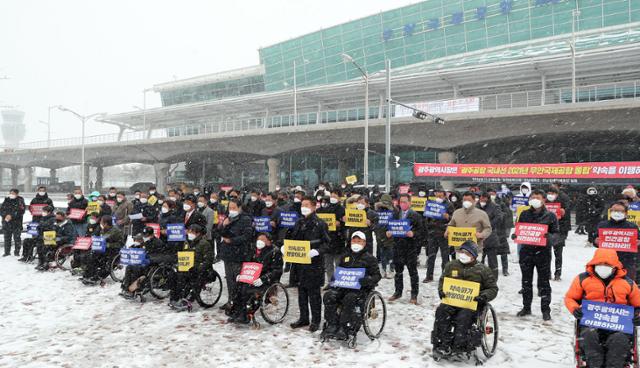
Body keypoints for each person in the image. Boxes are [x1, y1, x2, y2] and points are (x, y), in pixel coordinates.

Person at [565, 248, 640, 368]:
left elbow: (638, 304)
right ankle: (595, 364)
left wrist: (638, 316)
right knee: (589, 337)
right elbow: (570, 298)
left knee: (619, 341)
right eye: (600, 264)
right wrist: (574, 309)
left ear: (615, 266)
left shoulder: (628, 283)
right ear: (594, 264)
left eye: (607, 264)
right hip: (591, 323)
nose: (603, 267)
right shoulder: (582, 279)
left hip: (619, 326)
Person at [432, 241, 498, 359]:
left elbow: (493, 289)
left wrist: (483, 296)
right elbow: (443, 280)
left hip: (471, 304)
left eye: (467, 253)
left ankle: (460, 345)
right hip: (452, 301)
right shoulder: (451, 265)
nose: (463, 255)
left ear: (473, 256)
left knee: (464, 317)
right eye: (462, 251)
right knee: (441, 312)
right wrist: (441, 290)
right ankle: (442, 343)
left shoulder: (483, 270)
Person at [322, 231, 382, 340]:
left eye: (359, 241)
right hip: (343, 287)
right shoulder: (345, 257)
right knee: (329, 296)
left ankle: (344, 327)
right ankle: (332, 324)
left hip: (360, 289)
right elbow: (339, 272)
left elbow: (377, 276)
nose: (356, 243)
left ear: (364, 243)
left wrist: (368, 280)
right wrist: (334, 280)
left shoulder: (370, 259)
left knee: (349, 298)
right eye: (354, 240)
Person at [286, 196, 330, 332]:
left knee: (314, 294)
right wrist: (285, 247)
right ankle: (303, 317)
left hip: (314, 264)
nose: (303, 207)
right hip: (299, 264)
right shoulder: (298, 223)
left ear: (314, 206)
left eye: (306, 205)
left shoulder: (320, 224)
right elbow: (291, 238)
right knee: (301, 293)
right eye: (302, 205)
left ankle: (316, 320)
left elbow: (327, 243)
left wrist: (317, 251)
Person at [515, 189, 559, 320]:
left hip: (543, 253)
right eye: (532, 197)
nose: (534, 199)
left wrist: (549, 237)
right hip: (526, 252)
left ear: (544, 199)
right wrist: (516, 234)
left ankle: (546, 310)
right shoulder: (524, 213)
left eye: (537, 197)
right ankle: (526, 307)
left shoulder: (550, 216)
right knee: (526, 282)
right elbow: (519, 228)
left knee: (544, 282)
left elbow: (556, 234)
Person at [228, 233, 283, 324]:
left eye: (263, 240)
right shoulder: (253, 250)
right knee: (238, 287)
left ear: (269, 242)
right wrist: (240, 274)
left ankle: (246, 314)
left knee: (249, 290)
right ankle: (237, 311)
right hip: (252, 277)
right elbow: (245, 264)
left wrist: (263, 279)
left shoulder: (275, 252)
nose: (260, 242)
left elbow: (277, 270)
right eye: (259, 239)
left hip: (266, 279)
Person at [387, 193, 424, 304]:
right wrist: (388, 232)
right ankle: (398, 292)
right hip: (398, 247)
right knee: (398, 272)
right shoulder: (395, 214)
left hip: (410, 248)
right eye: (401, 202)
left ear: (410, 202)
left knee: (412, 272)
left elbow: (422, 232)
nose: (403, 204)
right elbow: (390, 226)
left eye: (405, 202)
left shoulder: (416, 215)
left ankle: (414, 294)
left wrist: (414, 234)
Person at [168, 224, 215, 310]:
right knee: (173, 274)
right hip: (188, 267)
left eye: (192, 232)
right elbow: (184, 256)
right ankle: (175, 297)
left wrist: (198, 268)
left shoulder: (204, 244)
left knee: (187, 276)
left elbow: (208, 260)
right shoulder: (187, 243)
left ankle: (187, 299)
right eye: (188, 231)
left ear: (198, 233)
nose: (189, 233)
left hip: (202, 269)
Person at [218, 198, 253, 311]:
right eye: (230, 208)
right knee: (229, 280)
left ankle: (238, 304)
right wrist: (224, 225)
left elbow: (247, 236)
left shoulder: (245, 219)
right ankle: (230, 301)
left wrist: (232, 241)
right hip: (227, 254)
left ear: (239, 208)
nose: (231, 210)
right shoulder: (228, 219)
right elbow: (219, 233)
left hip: (239, 254)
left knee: (238, 280)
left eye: (234, 208)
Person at [594, 201, 640, 281]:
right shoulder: (602, 225)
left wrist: (638, 243)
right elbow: (594, 239)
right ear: (610, 212)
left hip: (626, 261)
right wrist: (595, 241)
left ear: (626, 213)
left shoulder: (632, 227)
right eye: (614, 210)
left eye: (620, 211)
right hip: (606, 262)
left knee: (625, 285)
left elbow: (638, 241)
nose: (617, 213)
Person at [81, 215, 124, 284]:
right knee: (91, 255)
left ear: (106, 223)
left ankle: (97, 276)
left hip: (113, 249)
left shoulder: (116, 231)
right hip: (104, 248)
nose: (100, 223)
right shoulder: (103, 229)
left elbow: (121, 244)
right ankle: (88, 275)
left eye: (101, 222)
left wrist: (109, 245)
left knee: (102, 260)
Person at [424, 188, 454, 283]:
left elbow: (453, 218)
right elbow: (426, 218)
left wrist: (448, 217)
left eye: (440, 193)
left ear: (444, 194)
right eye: (437, 193)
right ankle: (429, 276)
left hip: (444, 233)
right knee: (431, 256)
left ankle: (445, 276)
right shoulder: (431, 204)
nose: (438, 194)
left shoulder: (449, 205)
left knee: (445, 256)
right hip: (433, 233)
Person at [316, 191, 346, 289]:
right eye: (331, 196)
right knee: (328, 263)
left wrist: (341, 223)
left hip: (338, 239)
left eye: (335, 196)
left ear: (339, 198)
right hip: (328, 239)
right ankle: (330, 282)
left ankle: (339, 283)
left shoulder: (342, 209)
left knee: (338, 263)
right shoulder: (327, 208)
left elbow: (347, 224)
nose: (332, 198)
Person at [546, 186, 571, 280]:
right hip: (547, 232)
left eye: (552, 193)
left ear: (557, 194)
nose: (550, 195)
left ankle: (558, 273)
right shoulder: (544, 203)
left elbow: (566, 221)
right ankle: (547, 273)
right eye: (549, 193)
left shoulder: (563, 204)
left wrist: (563, 213)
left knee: (558, 254)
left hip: (559, 232)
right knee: (546, 254)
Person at [477, 192, 503, 280]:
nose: (482, 200)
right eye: (480, 198)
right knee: (479, 260)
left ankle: (493, 279)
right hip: (478, 238)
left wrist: (487, 226)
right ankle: (480, 277)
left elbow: (499, 218)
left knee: (492, 261)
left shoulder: (495, 207)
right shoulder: (476, 206)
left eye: (484, 198)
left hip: (490, 238)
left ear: (488, 199)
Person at [374, 194, 395, 279]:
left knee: (391, 253)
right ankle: (383, 269)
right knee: (382, 253)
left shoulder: (394, 211)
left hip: (390, 236)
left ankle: (391, 269)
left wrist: (391, 230)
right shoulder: (377, 211)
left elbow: (398, 223)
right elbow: (375, 222)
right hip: (380, 235)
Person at [1, 188, 26, 257]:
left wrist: (11, 215)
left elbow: (21, 211)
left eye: (13, 193)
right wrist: (5, 215)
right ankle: (7, 252)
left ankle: (17, 252)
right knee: (7, 238)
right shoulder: (6, 200)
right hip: (6, 223)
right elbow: (1, 209)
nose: (11, 195)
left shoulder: (20, 200)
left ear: (17, 194)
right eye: (11, 193)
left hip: (16, 223)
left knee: (17, 238)